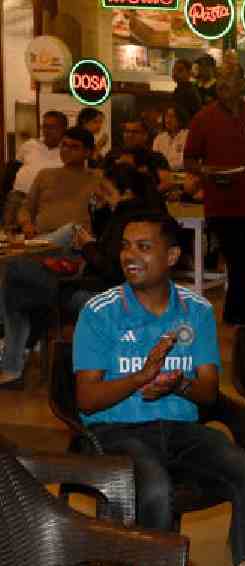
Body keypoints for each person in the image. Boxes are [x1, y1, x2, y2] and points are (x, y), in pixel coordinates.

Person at [73, 212, 245, 566]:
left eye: (144, 247)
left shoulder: (196, 310)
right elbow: (86, 399)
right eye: (125, 247)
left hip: (182, 430)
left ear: (172, 257)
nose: (130, 256)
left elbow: (209, 393)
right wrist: (139, 378)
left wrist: (178, 384)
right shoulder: (100, 312)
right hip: (116, 431)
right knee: (156, 488)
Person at [0, 165, 160, 388]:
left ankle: (13, 363)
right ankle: (15, 359)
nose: (101, 194)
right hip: (94, 282)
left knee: (15, 272)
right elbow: (106, 251)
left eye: (106, 190)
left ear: (126, 193)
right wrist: (97, 212)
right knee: (16, 287)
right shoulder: (124, 214)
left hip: (97, 290)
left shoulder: (129, 222)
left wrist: (87, 246)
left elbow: (112, 271)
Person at [184, 64, 245, 326]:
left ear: (242, 84)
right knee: (237, 264)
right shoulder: (203, 118)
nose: (223, 84)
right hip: (221, 204)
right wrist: (207, 171)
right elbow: (189, 160)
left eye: (229, 79)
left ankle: (233, 321)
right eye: (220, 80)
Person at [17, 127, 99, 241]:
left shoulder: (97, 178)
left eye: (74, 147)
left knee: (71, 230)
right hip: (42, 238)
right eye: (64, 145)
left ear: (87, 152)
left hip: (77, 240)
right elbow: (26, 208)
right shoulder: (45, 175)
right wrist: (26, 224)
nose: (66, 150)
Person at [5, 111, 66, 223]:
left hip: (46, 202)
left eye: (51, 127)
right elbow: (13, 168)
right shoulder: (30, 144)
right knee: (8, 234)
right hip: (19, 197)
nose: (46, 131)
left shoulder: (67, 151)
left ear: (63, 129)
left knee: (38, 238)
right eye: (44, 126)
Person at [104, 118, 171, 187]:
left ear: (145, 136)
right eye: (126, 131)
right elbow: (101, 179)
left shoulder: (156, 158)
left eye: (135, 132)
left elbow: (166, 183)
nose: (129, 135)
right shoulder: (113, 154)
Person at [152, 106, 190, 171]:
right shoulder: (159, 138)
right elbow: (154, 159)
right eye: (166, 116)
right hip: (163, 173)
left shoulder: (188, 135)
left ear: (180, 119)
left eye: (172, 117)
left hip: (181, 173)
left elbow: (188, 162)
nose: (168, 120)